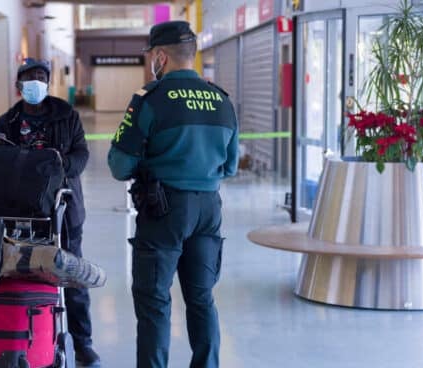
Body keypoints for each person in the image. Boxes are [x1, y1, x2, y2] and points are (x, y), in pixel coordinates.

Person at [107, 21, 239, 368]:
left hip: (163, 209)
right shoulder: (222, 101)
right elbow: (230, 166)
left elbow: (120, 166)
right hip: (209, 209)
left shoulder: (150, 99)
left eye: (151, 54)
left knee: (153, 301)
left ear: (161, 56)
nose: (151, 60)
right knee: (201, 297)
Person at [0, 58, 100, 367]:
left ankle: (83, 343)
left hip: (63, 208)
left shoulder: (67, 115)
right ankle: (23, 337)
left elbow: (81, 155)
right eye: (29, 77)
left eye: (40, 76)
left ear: (48, 81)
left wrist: (56, 168)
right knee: (20, 273)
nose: (35, 81)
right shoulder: (8, 121)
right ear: (18, 85)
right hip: (21, 209)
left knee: (72, 275)